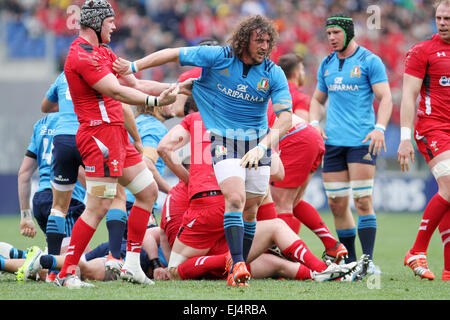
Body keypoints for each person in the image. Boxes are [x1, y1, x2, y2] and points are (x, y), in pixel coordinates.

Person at [114, 14, 293, 287]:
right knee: (235, 198)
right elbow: (173, 54)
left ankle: (237, 265)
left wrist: (263, 147)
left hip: (257, 145)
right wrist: (133, 66)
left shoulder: (273, 72)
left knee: (251, 211)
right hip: (223, 141)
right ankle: (239, 266)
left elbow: (286, 118)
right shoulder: (218, 57)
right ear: (244, 41)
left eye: (269, 41)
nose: (265, 46)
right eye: (259, 40)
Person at [55, 0, 185, 288]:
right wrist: (156, 102)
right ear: (97, 23)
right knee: (98, 206)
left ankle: (131, 264)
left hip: (118, 137)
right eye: (111, 21)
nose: (115, 26)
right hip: (99, 138)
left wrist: (178, 87)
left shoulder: (105, 52)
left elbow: (135, 85)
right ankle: (66, 272)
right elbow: (117, 90)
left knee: (147, 191)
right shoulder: (80, 55)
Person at [157, 109, 360, 286]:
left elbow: (164, 148)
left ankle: (232, 262)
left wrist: (190, 178)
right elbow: (278, 173)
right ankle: (322, 269)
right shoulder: (253, 120)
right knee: (276, 227)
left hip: (206, 200)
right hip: (238, 200)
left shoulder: (195, 119)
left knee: (175, 269)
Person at [309, 13, 393, 272]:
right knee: (336, 203)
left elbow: (386, 98)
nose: (331, 38)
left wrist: (379, 128)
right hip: (333, 142)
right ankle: (351, 263)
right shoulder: (327, 63)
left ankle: (368, 263)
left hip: (362, 141)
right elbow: (316, 100)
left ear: (349, 33)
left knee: (362, 200)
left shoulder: (370, 61)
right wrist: (314, 125)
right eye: (328, 33)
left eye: (336, 33)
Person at [268, 53, 347, 263]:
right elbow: (304, 122)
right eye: (302, 70)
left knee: (281, 202)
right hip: (310, 140)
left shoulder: (272, 92)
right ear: (295, 73)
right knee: (294, 202)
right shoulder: (298, 96)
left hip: (293, 142)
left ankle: (287, 259)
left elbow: (293, 125)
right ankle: (332, 245)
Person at [397, 0, 450, 281]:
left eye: (448, 18)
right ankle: (416, 250)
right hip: (433, 129)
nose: (442, 22)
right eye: (439, 17)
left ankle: (449, 271)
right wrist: (405, 137)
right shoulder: (422, 51)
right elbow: (408, 95)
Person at [17, 113, 86, 249]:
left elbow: (23, 173)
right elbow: (77, 170)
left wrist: (25, 215)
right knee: (73, 260)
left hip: (41, 200)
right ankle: (12, 258)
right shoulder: (77, 121)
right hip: (66, 201)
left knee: (59, 254)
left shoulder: (42, 124)